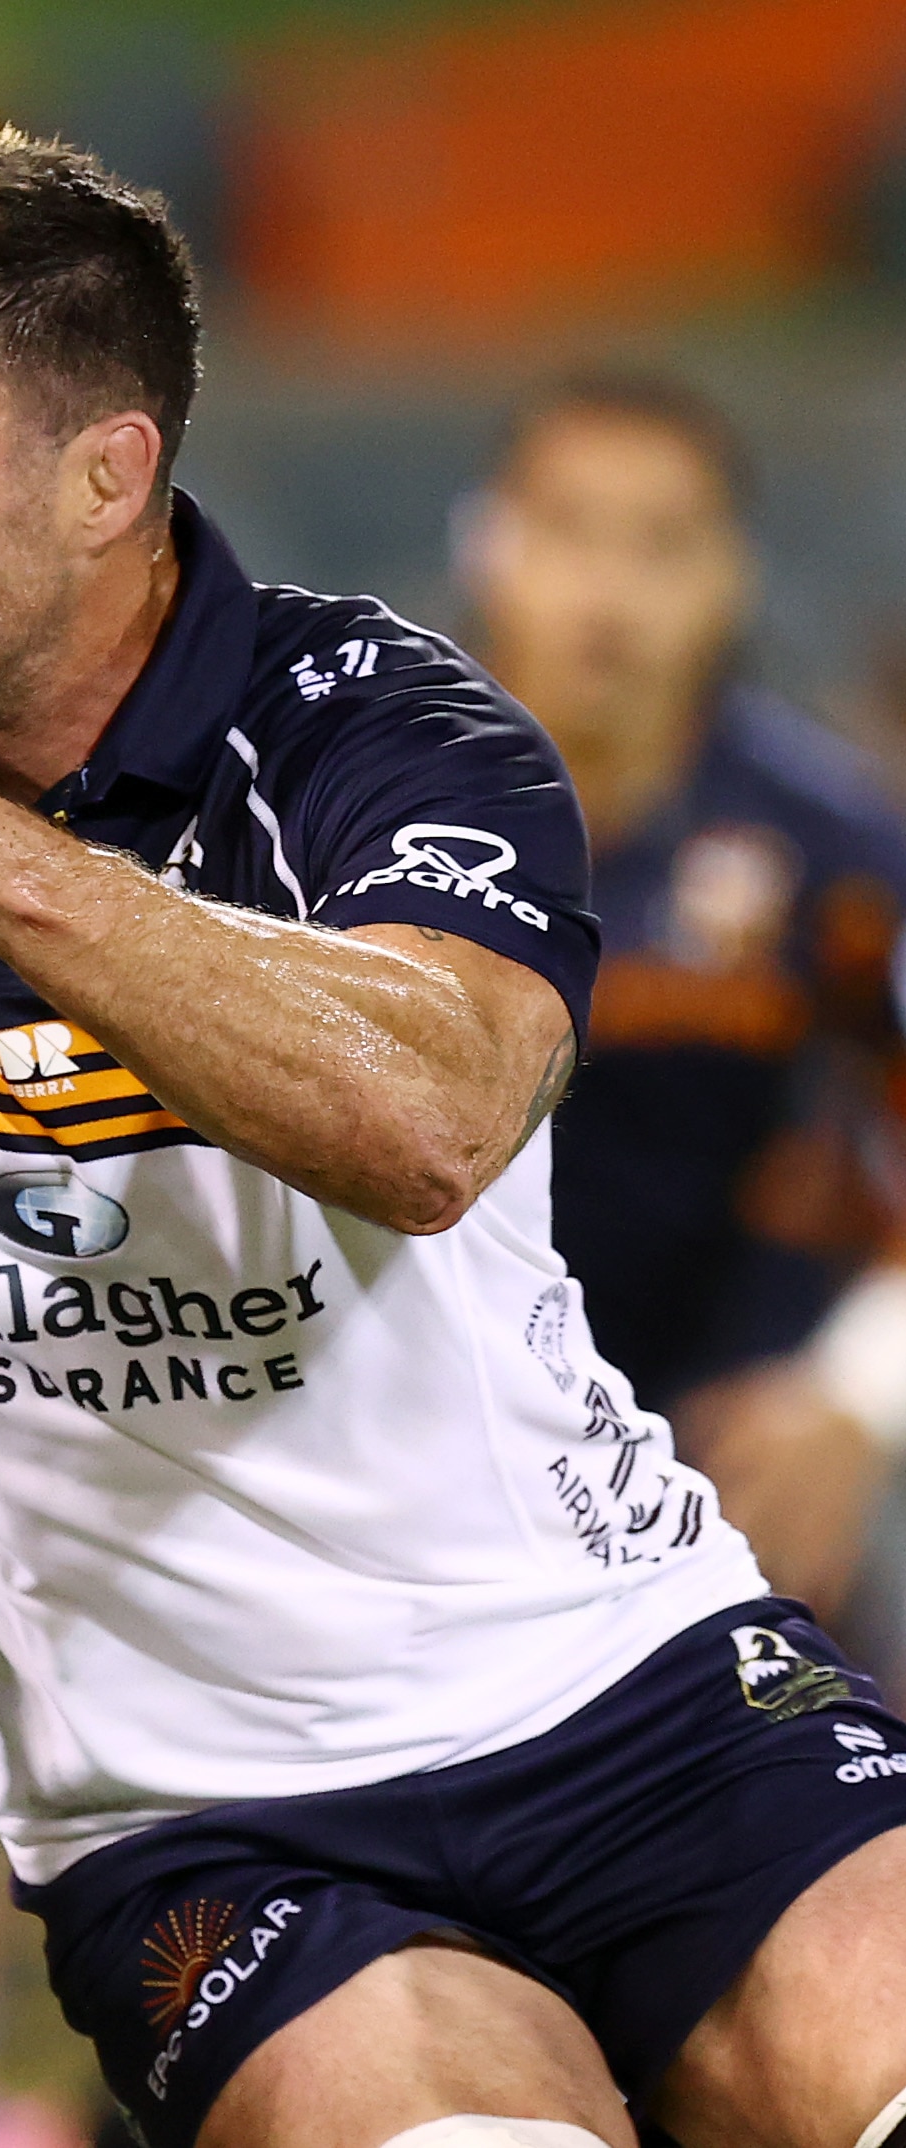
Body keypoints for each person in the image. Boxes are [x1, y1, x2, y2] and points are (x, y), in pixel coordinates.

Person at [0, 129, 906, 2148]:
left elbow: (433, 1116)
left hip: (641, 1694)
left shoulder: (389, 732)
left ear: (103, 472)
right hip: (211, 1817)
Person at [457, 377, 906, 1617]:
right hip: (425, 1515)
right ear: (484, 545)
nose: (608, 592)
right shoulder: (336, 818)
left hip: (733, 1509)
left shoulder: (840, 856)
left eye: (663, 543)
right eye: (566, 531)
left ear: (735, 577)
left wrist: (862, 1392)